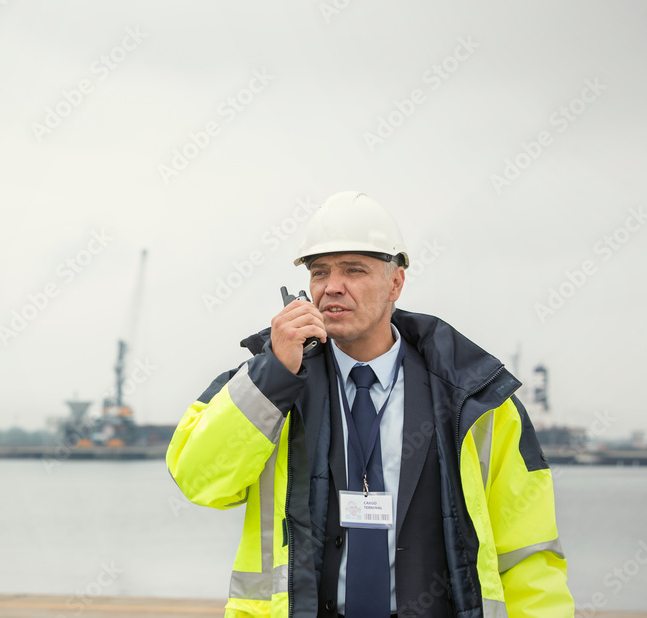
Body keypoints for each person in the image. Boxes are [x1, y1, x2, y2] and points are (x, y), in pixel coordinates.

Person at [166, 191, 574, 617]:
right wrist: (275, 378)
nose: (332, 287)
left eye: (354, 270)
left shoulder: (475, 398)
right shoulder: (266, 385)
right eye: (319, 272)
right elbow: (199, 480)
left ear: (395, 282)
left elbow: (528, 553)